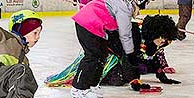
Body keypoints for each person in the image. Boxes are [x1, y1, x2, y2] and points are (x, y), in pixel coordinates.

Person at [70, 0, 158, 98]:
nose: (146, 4)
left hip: (94, 26)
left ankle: (92, 85)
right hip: (87, 24)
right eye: (148, 0)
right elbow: (125, 33)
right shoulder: (123, 4)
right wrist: (130, 54)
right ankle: (78, 89)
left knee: (102, 55)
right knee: (92, 56)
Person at [45, 15, 179, 88]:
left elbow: (153, 58)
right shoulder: (134, 32)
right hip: (107, 52)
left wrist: (163, 77)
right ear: (157, 34)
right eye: (162, 41)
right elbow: (128, 58)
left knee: (136, 68)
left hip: (121, 54)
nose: (162, 44)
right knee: (119, 79)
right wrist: (134, 81)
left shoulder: (152, 39)